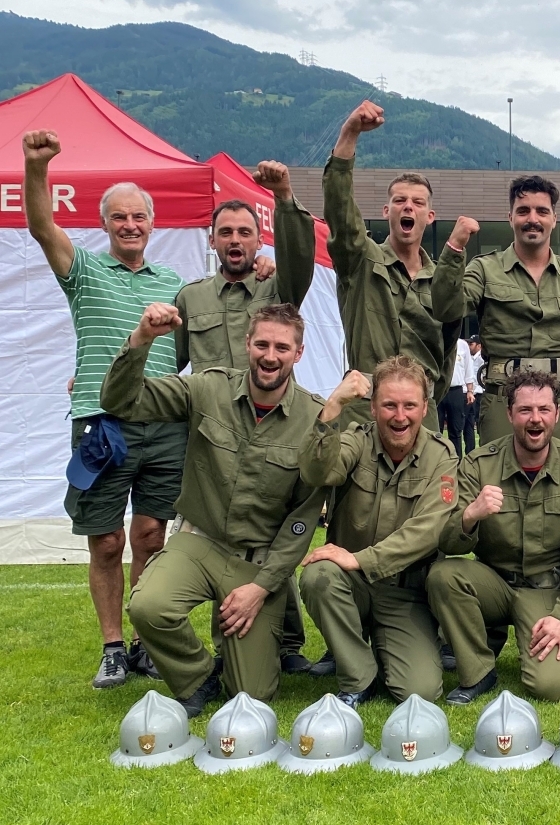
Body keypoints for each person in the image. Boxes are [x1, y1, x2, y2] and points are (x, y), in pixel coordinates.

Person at [23, 129, 188, 689]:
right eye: (119, 217)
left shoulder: (173, 282)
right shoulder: (84, 272)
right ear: (106, 225)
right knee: (108, 540)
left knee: (149, 537)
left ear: (151, 222)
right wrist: (36, 165)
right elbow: (42, 227)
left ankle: (144, 644)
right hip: (103, 424)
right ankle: (113, 646)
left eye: (138, 216)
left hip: (164, 426)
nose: (130, 225)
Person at [103, 303, 325, 716]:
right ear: (247, 344)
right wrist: (142, 339)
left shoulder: (315, 418)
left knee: (252, 697)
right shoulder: (208, 388)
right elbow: (122, 402)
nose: (269, 356)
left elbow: (301, 520)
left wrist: (260, 588)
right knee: (148, 607)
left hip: (256, 564)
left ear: (299, 353)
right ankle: (197, 676)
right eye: (261, 344)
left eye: (281, 347)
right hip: (198, 542)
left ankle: (239, 654)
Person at [175, 162, 316, 676]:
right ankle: (231, 640)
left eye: (245, 232)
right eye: (226, 232)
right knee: (221, 535)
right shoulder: (191, 297)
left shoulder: (276, 286)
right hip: (217, 435)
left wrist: (283, 198)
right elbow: (170, 367)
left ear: (260, 240)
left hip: (275, 425)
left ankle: (289, 643)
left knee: (277, 533)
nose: (236, 241)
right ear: (212, 239)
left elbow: (301, 257)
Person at [428, 371, 560, 704]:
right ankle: (478, 670)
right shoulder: (479, 465)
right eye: (524, 410)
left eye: (543, 410)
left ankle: (535, 637)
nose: (534, 419)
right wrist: (470, 515)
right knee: (443, 576)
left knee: (551, 687)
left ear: (557, 415)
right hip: (494, 583)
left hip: (546, 590)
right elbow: (447, 542)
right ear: (509, 415)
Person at [296, 357, 460, 708]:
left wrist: (358, 559)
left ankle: (385, 647)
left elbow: (426, 532)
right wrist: (333, 406)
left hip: (405, 593)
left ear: (425, 407)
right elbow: (315, 473)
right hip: (351, 588)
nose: (399, 416)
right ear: (372, 408)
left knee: (420, 692)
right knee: (318, 576)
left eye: (409, 405)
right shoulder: (356, 442)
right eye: (389, 405)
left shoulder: (441, 457)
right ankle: (359, 675)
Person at [318, 99, 478, 426]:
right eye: (399, 201)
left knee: (430, 479)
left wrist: (429, 392)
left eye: (418, 203)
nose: (408, 207)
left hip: (422, 410)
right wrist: (349, 134)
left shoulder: (441, 280)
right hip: (365, 409)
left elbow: (449, 346)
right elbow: (341, 212)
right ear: (386, 211)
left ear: (429, 217)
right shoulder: (361, 260)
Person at [458, 176, 560, 445]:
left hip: (559, 402)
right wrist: (454, 251)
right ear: (510, 218)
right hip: (502, 400)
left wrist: (559, 387)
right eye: (523, 211)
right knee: (497, 481)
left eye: (542, 211)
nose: (533, 218)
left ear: (554, 218)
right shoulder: (484, 269)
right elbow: (449, 309)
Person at [438, 338, 474, 456]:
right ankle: (436, 461)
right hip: (438, 390)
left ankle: (457, 462)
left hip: (456, 391)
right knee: (436, 430)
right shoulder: (435, 339)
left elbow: (469, 369)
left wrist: (470, 391)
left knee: (456, 430)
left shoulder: (462, 344)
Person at [465, 335, 484, 452]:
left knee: (480, 421)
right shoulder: (471, 358)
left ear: (479, 345)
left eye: (471, 344)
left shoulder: (482, 358)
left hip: (480, 393)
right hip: (473, 394)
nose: (469, 346)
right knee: (472, 422)